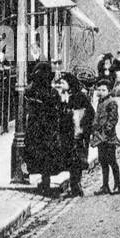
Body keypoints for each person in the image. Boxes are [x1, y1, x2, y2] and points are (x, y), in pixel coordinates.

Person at [23, 62, 64, 194]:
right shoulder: (52, 92)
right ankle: (45, 180)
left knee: (37, 153)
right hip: (47, 128)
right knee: (46, 154)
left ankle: (42, 180)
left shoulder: (31, 90)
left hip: (37, 127)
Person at [55, 73, 94, 197]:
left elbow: (90, 113)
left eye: (63, 83)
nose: (60, 85)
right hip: (67, 134)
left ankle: (76, 186)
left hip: (78, 135)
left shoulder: (79, 96)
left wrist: (84, 127)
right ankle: (74, 186)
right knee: (70, 160)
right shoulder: (62, 96)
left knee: (77, 160)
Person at [89, 78, 120, 195]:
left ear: (109, 91)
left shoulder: (112, 102)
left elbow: (113, 119)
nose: (101, 92)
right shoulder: (100, 102)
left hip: (109, 138)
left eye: (104, 90)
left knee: (112, 161)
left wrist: (106, 131)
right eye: (99, 89)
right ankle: (105, 186)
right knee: (102, 161)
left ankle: (117, 185)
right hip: (100, 137)